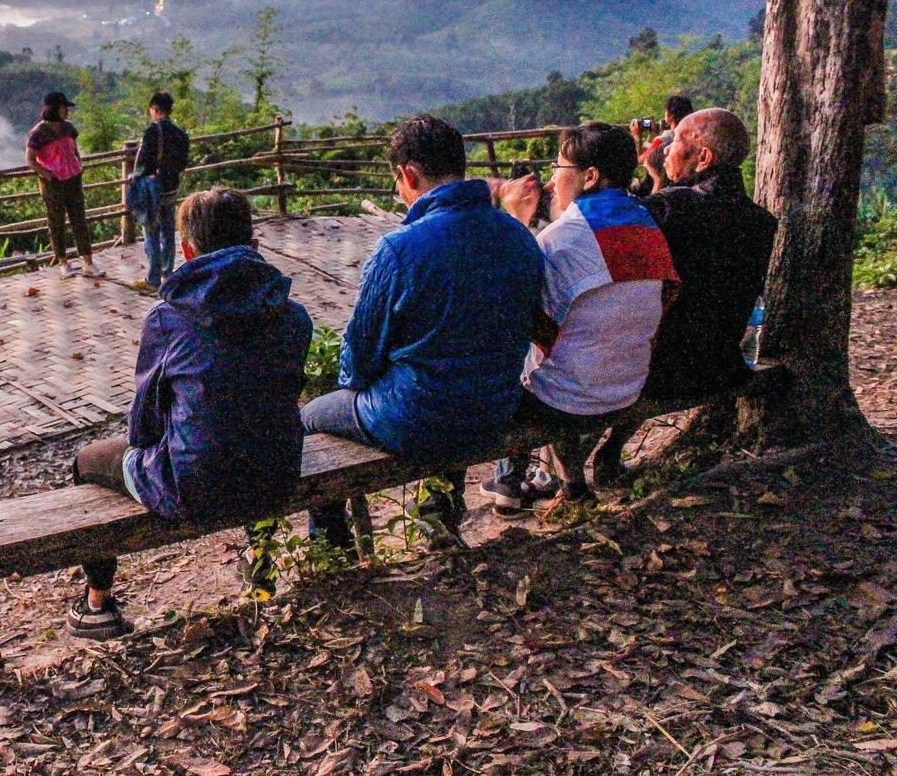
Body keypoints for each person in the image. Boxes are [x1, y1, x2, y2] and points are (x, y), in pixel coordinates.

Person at [67, 188, 313, 639]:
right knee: (251, 432)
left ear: (186, 250)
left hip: (195, 488)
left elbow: (142, 430)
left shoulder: (169, 320)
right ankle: (259, 564)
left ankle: (97, 603)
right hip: (279, 474)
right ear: (254, 247)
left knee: (87, 461)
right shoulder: (293, 315)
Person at [301, 115, 544, 552]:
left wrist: (367, 386)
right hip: (496, 407)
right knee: (449, 383)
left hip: (418, 418)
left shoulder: (400, 248)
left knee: (312, 415)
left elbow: (358, 362)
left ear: (408, 174)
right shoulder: (518, 236)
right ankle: (439, 519)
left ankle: (332, 547)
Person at [476, 123, 680, 513]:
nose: (552, 183)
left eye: (559, 169)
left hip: (572, 399)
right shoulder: (646, 226)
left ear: (589, 177)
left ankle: (509, 481)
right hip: (629, 384)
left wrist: (517, 224)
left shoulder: (564, 238)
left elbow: (514, 314)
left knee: (510, 363)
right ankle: (567, 484)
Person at [593, 107, 776, 484]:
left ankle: (571, 484)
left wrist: (654, 182)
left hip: (660, 370)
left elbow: (609, 228)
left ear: (703, 158)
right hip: (720, 364)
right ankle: (607, 458)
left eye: (675, 143)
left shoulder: (673, 208)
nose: (665, 151)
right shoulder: (761, 222)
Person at [26, 91, 103, 279]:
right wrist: (47, 175)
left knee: (80, 221)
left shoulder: (69, 128)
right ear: (53, 109)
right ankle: (63, 262)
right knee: (57, 223)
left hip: (73, 178)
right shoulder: (38, 133)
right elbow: (30, 159)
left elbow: (74, 149)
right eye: (63, 108)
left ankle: (88, 262)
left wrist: (78, 164)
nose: (66, 111)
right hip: (53, 184)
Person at [132, 91, 191, 291]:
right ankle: (168, 275)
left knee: (150, 231)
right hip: (171, 188)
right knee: (168, 231)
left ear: (155, 109)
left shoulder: (152, 132)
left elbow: (143, 164)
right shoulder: (180, 133)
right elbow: (183, 162)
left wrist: (137, 177)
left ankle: (153, 278)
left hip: (153, 190)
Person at [633, 94, 695, 196]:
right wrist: (652, 135)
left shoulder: (663, 139)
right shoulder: (690, 137)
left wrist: (637, 136)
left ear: (670, 115)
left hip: (656, 186)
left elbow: (641, 160)